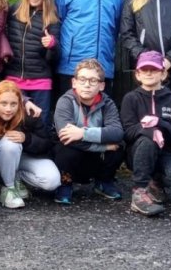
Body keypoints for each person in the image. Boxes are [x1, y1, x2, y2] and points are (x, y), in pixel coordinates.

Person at [120, 50, 171, 217]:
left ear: (163, 74)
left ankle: (155, 182)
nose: (149, 73)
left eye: (153, 69)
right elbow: (127, 132)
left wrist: (161, 124)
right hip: (139, 152)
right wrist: (149, 131)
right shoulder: (130, 99)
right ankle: (139, 192)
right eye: (144, 70)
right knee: (148, 139)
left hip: (167, 153)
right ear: (137, 74)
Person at [51, 58, 125, 205]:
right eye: (82, 79)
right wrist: (103, 146)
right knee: (65, 148)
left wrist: (83, 133)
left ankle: (104, 181)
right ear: (74, 82)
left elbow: (117, 132)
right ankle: (65, 184)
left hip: (94, 157)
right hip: (73, 154)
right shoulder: (65, 101)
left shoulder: (108, 103)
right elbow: (66, 137)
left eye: (93, 80)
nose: (87, 85)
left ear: (102, 85)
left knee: (119, 146)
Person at [55, 0, 123, 97]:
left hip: (102, 66)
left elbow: (117, 27)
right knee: (70, 110)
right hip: (72, 67)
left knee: (100, 110)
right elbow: (57, 23)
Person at [0, 80, 60, 209]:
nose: (8, 109)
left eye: (13, 104)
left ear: (20, 103)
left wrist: (27, 138)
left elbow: (47, 143)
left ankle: (16, 177)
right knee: (10, 142)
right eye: (3, 103)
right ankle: (8, 188)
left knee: (52, 181)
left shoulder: (29, 113)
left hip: (26, 156)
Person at [4, 0, 60, 119]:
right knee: (15, 121)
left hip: (40, 81)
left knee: (40, 122)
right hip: (14, 78)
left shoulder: (52, 17)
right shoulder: (14, 10)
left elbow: (54, 58)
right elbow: (1, 34)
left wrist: (52, 45)